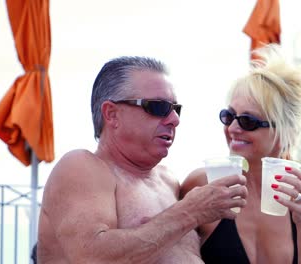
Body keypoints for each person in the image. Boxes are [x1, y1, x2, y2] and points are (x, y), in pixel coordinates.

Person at [37, 56, 248, 263]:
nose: (174, 120)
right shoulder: (81, 167)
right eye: (158, 107)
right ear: (111, 114)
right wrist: (191, 211)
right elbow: (92, 256)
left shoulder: (168, 181)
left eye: (176, 109)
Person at [181, 44, 301, 264]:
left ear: (283, 130)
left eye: (247, 121)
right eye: (228, 116)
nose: (232, 128)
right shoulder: (203, 184)